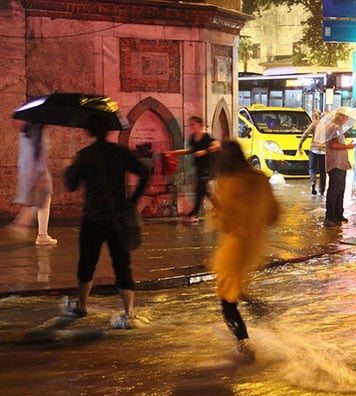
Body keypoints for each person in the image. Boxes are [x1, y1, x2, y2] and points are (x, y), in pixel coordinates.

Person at [64, 115, 150, 326]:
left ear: (90, 132)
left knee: (87, 263)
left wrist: (68, 168)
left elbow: (71, 184)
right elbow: (144, 172)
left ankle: (81, 307)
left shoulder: (85, 155)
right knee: (123, 266)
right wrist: (133, 200)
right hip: (118, 219)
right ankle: (128, 314)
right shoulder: (120, 152)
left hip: (92, 219)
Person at [208, 140, 279, 355]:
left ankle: (244, 344)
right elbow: (273, 215)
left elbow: (223, 221)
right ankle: (260, 311)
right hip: (255, 244)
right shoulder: (259, 179)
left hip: (233, 246)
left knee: (227, 298)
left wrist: (215, 212)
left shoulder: (225, 182)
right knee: (236, 289)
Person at [165, 116, 220, 223]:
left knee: (200, 189)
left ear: (200, 124)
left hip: (207, 167)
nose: (192, 126)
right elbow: (190, 150)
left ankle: (194, 213)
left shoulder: (206, 137)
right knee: (204, 190)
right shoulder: (192, 137)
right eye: (191, 124)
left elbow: (217, 146)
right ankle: (221, 208)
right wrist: (175, 153)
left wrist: (205, 151)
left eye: (193, 124)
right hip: (199, 166)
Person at [10, 123, 57, 246]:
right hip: (38, 170)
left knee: (41, 197)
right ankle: (38, 232)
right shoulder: (39, 130)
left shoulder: (25, 130)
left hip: (27, 168)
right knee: (42, 197)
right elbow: (39, 153)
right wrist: (41, 174)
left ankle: (31, 227)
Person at [323, 112, 355, 227]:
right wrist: (348, 147)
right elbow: (334, 145)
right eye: (345, 117)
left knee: (340, 189)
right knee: (334, 190)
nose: (346, 119)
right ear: (341, 117)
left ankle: (338, 214)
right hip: (335, 163)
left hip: (341, 163)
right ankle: (330, 216)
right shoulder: (334, 128)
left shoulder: (339, 128)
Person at [297, 110, 326, 196]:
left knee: (312, 168)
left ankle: (313, 182)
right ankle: (322, 190)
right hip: (324, 151)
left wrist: (300, 143)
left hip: (314, 149)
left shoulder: (315, 123)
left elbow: (306, 133)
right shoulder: (328, 126)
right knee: (323, 171)